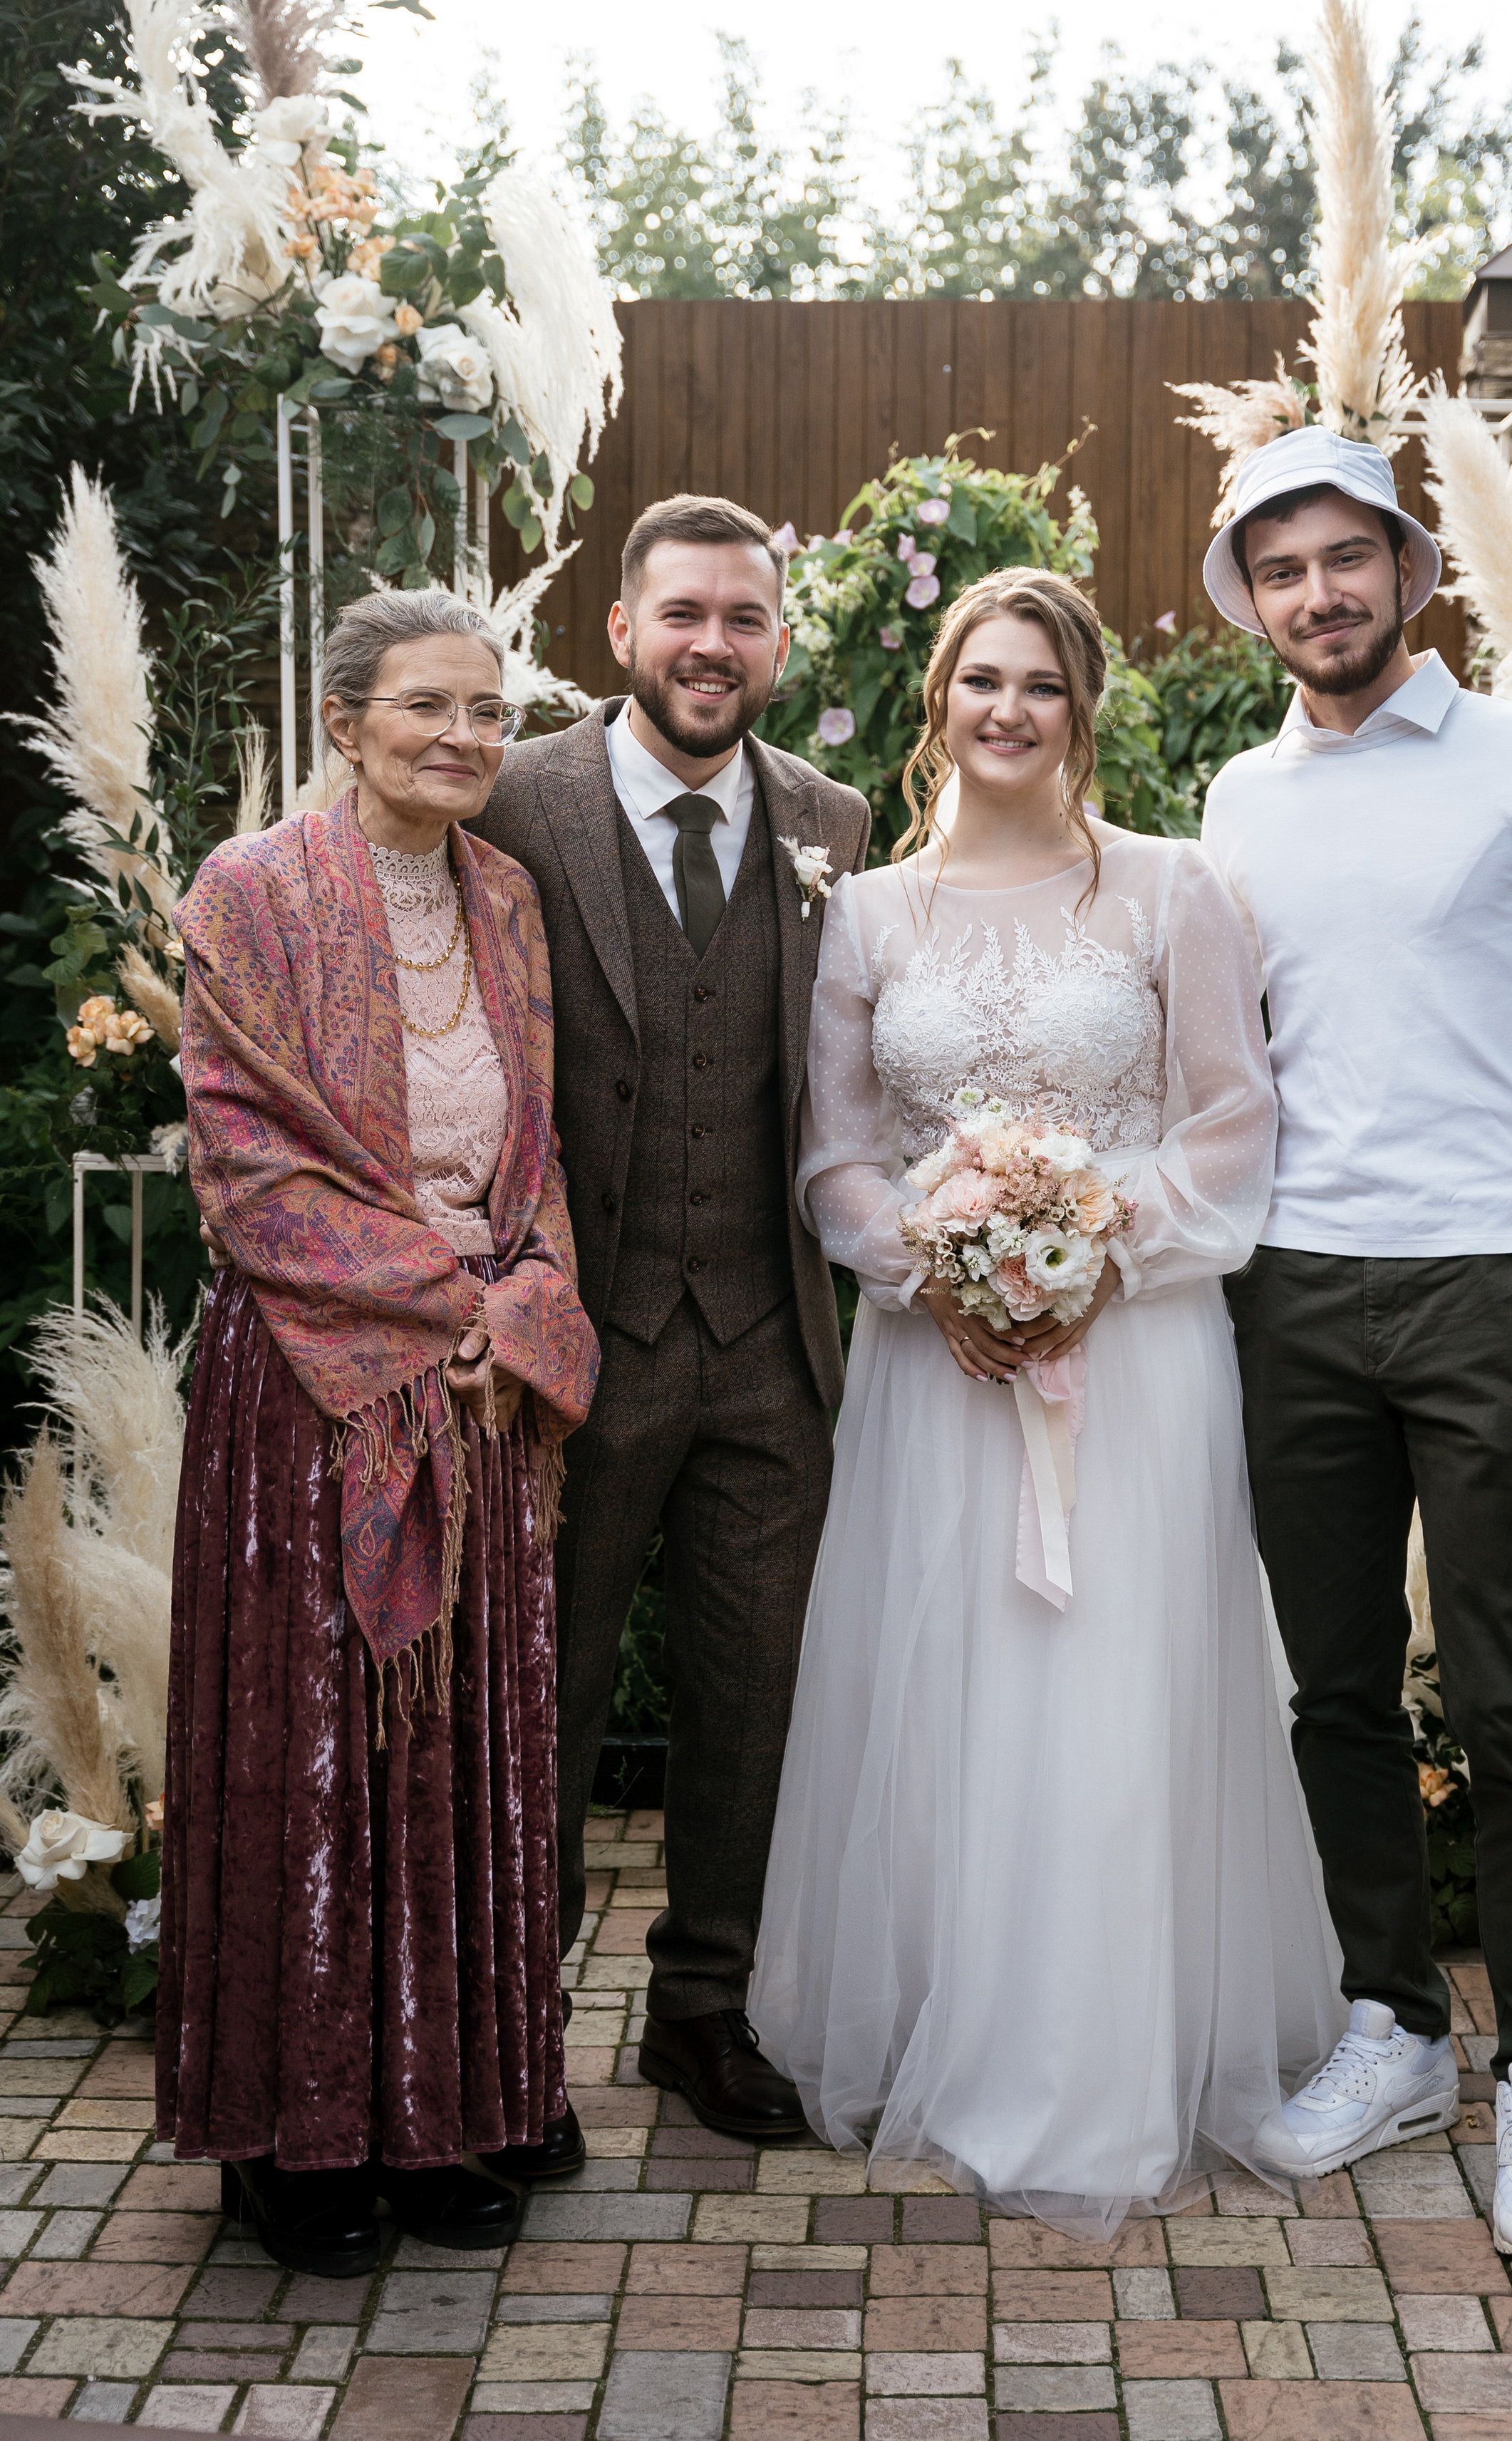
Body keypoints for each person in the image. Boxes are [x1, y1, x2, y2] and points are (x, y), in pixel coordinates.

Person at [748, 567, 1343, 2239]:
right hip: (936, 1370)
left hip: (1137, 1359)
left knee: (1112, 1690)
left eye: (1043, 688)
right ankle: (959, 2022)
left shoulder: (1171, 893)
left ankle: (1106, 2058)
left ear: (1085, 712)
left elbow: (1233, 1123)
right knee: (950, 1695)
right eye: (981, 680)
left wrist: (1089, 1246)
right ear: (937, 695)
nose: (1007, 711)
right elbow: (835, 1156)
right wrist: (933, 1268)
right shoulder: (865, 915)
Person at [1199, 427, 1512, 2260]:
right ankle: (1393, 2026)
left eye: (1343, 559)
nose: (1316, 595)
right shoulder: (1237, 795)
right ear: (1253, 598)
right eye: (1280, 569)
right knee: (1326, 1686)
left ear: (1404, 564)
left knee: (1503, 1689)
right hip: (1287, 1287)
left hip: (1488, 1281)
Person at [161, 590, 600, 2277]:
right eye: (429, 707)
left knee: (456, 1758)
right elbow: (248, 1167)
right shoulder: (250, 892)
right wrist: (456, 1312)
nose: (467, 739)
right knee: (311, 1766)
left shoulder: (506, 899)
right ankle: (295, 2140)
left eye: (489, 712)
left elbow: (535, 1154)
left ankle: (445, 2117)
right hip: (309, 1392)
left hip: (479, 1399)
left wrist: (528, 1315)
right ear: (343, 720)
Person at [475, 493, 870, 2140]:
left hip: (773, 1347)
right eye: (683, 614)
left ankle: (704, 2010)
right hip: (575, 1345)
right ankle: (512, 2033)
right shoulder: (507, 800)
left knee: (752, 1695)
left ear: (781, 641)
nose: (714, 645)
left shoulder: (835, 823)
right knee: (539, 1697)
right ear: (621, 631)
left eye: (745, 618)